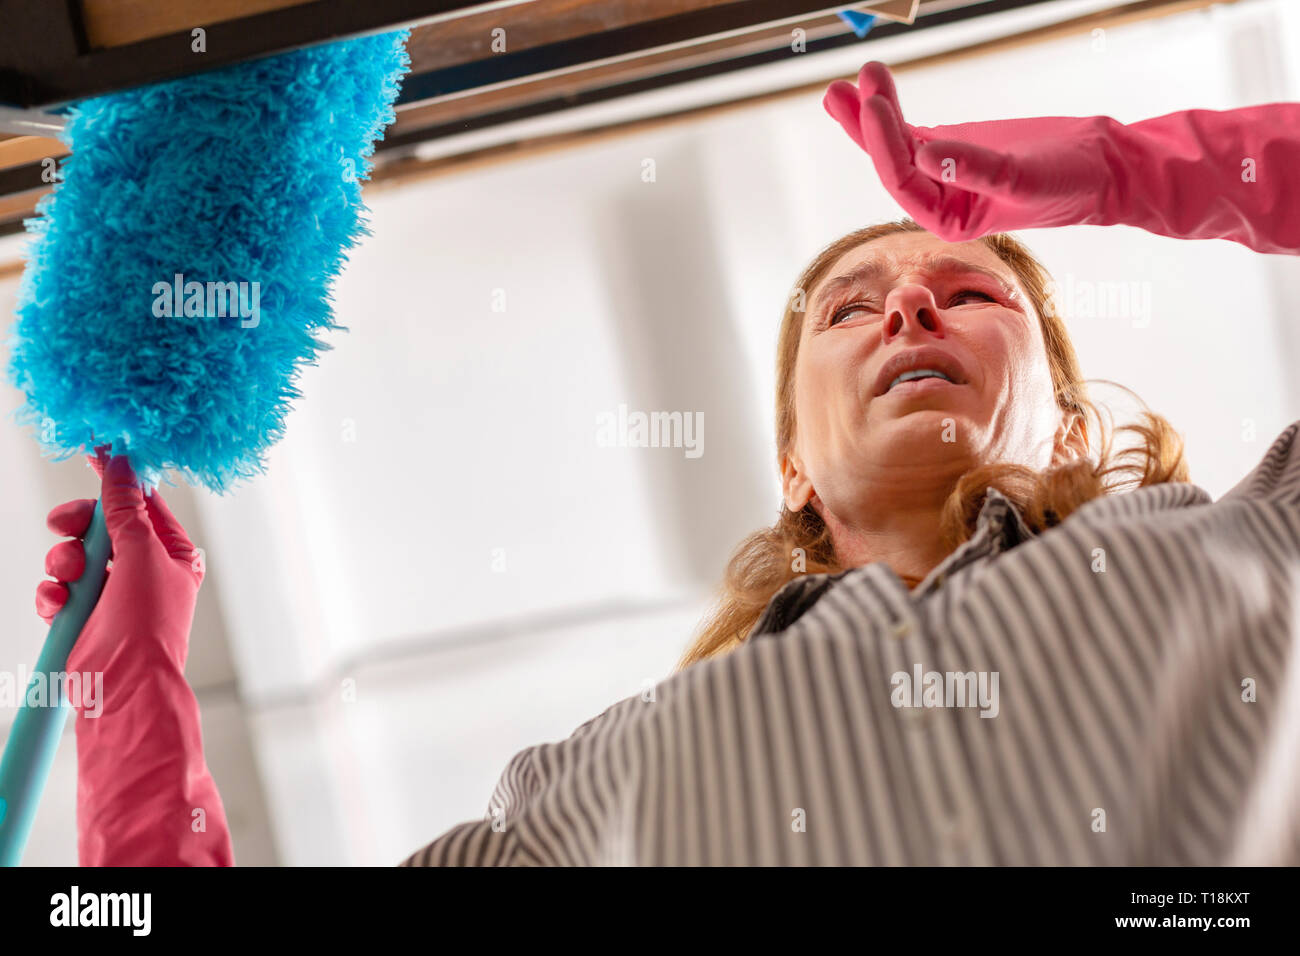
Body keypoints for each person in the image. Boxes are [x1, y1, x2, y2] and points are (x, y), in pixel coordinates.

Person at [35, 62, 1300, 865]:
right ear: (795, 465)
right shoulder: (588, 785)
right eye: (850, 310)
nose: (908, 309)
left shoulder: (1256, 550)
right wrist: (132, 688)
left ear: (1072, 425)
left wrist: (1112, 168)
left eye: (966, 289)